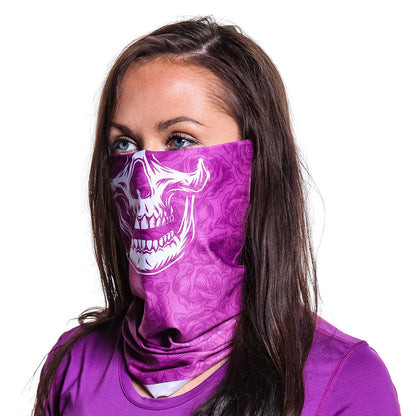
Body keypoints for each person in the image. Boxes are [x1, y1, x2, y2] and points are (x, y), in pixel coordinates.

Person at [34, 17, 400, 416]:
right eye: (123, 144)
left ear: (254, 164)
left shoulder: (344, 381)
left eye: (179, 140)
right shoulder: (73, 366)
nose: (141, 180)